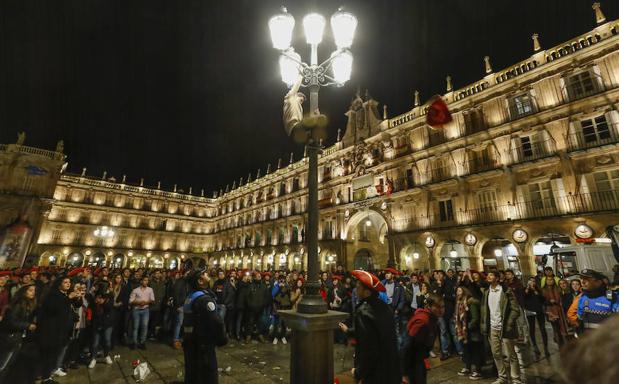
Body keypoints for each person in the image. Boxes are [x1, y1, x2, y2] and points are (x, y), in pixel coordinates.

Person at [339, 270, 400, 384]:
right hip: (390, 367)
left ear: (367, 292)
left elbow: (369, 346)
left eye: (358, 287)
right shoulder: (384, 307)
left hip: (375, 372)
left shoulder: (364, 311)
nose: (356, 290)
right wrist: (349, 331)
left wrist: (359, 372)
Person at [182, 269, 227, 384]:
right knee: (207, 373)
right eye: (205, 274)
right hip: (203, 342)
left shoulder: (191, 296)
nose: (208, 275)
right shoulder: (204, 299)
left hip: (191, 340)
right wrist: (222, 339)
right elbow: (216, 321)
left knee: (193, 371)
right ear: (200, 281)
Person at [480, 271, 522, 384]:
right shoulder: (486, 292)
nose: (489, 276)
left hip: (505, 327)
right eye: (488, 275)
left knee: (511, 354)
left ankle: (516, 378)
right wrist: (485, 325)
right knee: (496, 353)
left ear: (498, 278)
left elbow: (515, 309)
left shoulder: (505, 291)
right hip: (492, 327)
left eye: (492, 275)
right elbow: (485, 311)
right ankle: (502, 376)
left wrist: (509, 323)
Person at [36, 276, 77, 384]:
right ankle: (44, 377)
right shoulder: (54, 295)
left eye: (69, 282)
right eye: (65, 282)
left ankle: (47, 375)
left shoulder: (64, 295)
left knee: (53, 354)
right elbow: (54, 309)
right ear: (59, 284)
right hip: (51, 329)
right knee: (48, 354)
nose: (68, 284)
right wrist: (68, 298)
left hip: (60, 329)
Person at [401, 294, 444, 384]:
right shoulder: (422, 321)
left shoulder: (432, 319)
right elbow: (407, 346)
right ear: (428, 307)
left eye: (443, 306)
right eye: (437, 307)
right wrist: (404, 373)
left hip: (419, 360)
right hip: (412, 364)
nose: (441, 310)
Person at [0, 284, 37, 383]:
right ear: (24, 291)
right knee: (3, 364)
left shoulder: (27, 304)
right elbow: (11, 321)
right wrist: (27, 325)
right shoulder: (18, 304)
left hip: (16, 337)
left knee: (8, 364)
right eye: (30, 290)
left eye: (34, 290)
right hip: (10, 338)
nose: (33, 292)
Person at [573, 269, 619, 335]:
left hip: (608, 340)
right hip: (589, 340)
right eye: (581, 278)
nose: (582, 282)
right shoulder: (583, 297)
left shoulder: (612, 297)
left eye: (587, 279)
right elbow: (579, 319)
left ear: (599, 282)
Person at [455, 286, 483, 380]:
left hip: (472, 331)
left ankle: (478, 371)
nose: (457, 292)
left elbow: (475, 318)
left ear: (464, 291)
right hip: (465, 331)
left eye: (459, 290)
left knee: (475, 350)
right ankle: (467, 367)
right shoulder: (459, 303)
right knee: (467, 350)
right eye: (457, 291)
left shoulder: (471, 302)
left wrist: (468, 327)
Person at [88, 284, 115, 369]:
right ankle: (93, 358)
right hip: (97, 323)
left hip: (107, 323)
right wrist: (95, 302)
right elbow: (91, 307)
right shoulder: (94, 297)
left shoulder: (110, 297)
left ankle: (106, 355)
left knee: (107, 341)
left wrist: (103, 303)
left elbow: (109, 308)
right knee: (95, 343)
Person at [524, 277, 549, 358]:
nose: (532, 282)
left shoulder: (538, 290)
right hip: (530, 311)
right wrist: (528, 288)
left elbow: (543, 299)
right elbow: (524, 296)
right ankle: (535, 346)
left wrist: (535, 291)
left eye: (533, 281)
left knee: (542, 328)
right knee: (532, 328)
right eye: (530, 281)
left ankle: (546, 347)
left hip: (539, 311)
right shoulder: (525, 289)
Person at [129, 276, 155, 349]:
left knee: (144, 326)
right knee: (135, 326)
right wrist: (138, 302)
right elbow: (131, 300)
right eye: (144, 280)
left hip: (145, 310)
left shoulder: (150, 290)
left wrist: (145, 302)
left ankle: (142, 342)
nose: (146, 282)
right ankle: (134, 342)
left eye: (147, 280)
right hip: (136, 309)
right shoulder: (135, 290)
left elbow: (152, 300)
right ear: (141, 281)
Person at [542, 276, 568, 347]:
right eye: (548, 280)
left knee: (562, 327)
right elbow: (542, 301)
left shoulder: (557, 288)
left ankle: (564, 343)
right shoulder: (544, 290)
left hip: (560, 310)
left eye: (551, 280)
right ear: (546, 281)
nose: (550, 281)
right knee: (556, 328)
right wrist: (549, 301)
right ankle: (560, 344)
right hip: (551, 311)